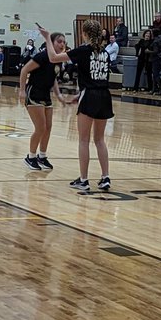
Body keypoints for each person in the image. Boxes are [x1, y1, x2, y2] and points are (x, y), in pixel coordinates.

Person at [39, 20, 113, 192]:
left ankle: (84, 180)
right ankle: (105, 177)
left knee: (84, 140)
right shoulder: (105, 53)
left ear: (84, 33)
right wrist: (79, 94)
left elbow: (53, 58)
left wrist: (47, 38)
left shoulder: (83, 51)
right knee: (100, 140)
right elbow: (97, 77)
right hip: (104, 96)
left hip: (90, 96)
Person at [18, 31, 75, 169]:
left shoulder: (58, 59)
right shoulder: (42, 56)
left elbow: (53, 77)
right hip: (34, 92)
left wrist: (59, 95)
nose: (62, 44)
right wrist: (21, 90)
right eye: (59, 41)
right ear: (52, 42)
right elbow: (24, 70)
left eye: (64, 42)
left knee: (48, 127)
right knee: (40, 128)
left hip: (46, 94)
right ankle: (30, 157)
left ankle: (42, 156)